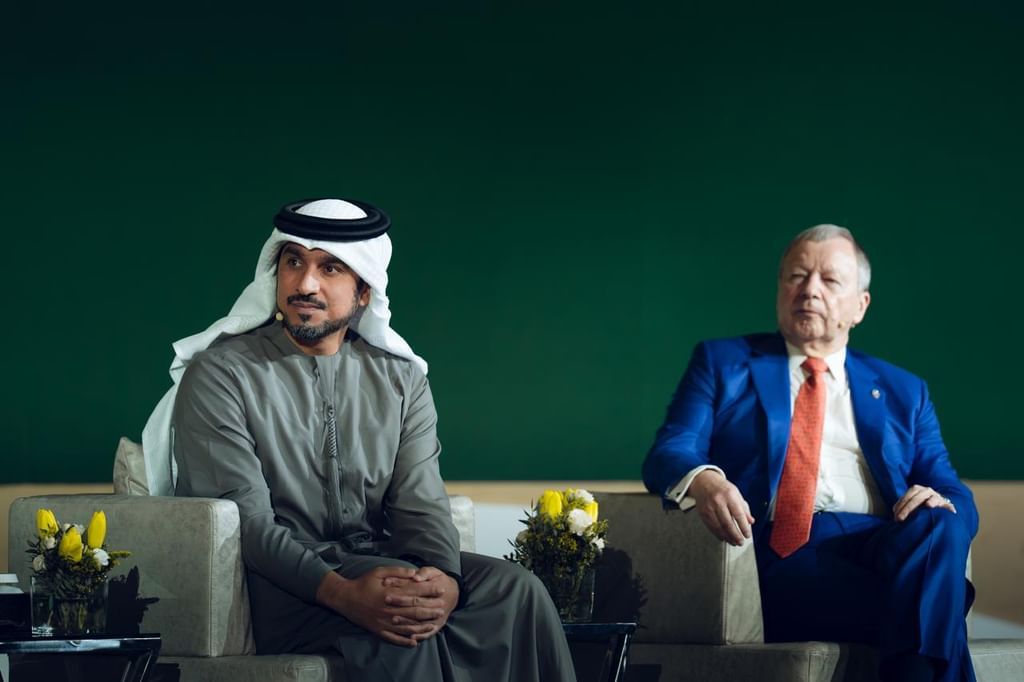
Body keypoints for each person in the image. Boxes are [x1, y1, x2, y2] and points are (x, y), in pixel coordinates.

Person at [151, 198, 576, 681]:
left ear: (364, 293)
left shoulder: (401, 380)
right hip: (278, 584)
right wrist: (342, 592)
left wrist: (445, 578)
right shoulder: (222, 374)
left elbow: (421, 502)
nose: (305, 284)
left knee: (517, 590)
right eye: (293, 262)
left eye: (330, 268)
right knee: (400, 613)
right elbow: (247, 525)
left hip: (375, 559)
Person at [642, 224, 977, 682]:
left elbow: (951, 486)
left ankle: (933, 593)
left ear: (860, 306)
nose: (810, 290)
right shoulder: (723, 363)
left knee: (942, 522)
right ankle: (942, 600)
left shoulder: (904, 390)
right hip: (786, 549)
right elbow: (671, 449)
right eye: (797, 276)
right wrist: (705, 479)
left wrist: (943, 501)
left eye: (830, 280)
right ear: (780, 289)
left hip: (884, 542)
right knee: (935, 597)